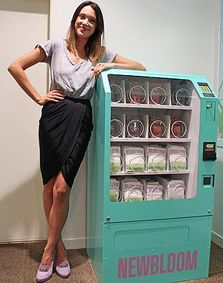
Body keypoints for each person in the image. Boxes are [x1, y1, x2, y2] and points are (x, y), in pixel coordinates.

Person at [8, 1, 146, 282]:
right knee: (48, 185)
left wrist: (107, 65)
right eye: (81, 17)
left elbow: (141, 67)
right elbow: (15, 66)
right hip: (53, 117)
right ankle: (59, 247)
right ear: (74, 20)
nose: (85, 23)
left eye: (91, 20)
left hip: (81, 118)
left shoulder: (99, 53)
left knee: (62, 189)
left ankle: (48, 249)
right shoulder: (55, 46)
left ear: (97, 27)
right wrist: (38, 96)